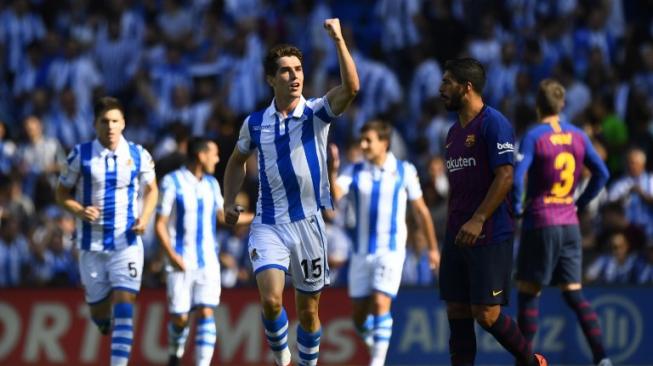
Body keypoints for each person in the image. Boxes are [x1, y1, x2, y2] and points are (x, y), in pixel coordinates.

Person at [222, 18, 359, 366]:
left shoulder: (315, 113)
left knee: (309, 312)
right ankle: (282, 355)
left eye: (298, 69)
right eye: (285, 71)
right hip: (268, 223)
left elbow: (352, 88)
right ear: (271, 79)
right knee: (270, 300)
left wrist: (339, 40)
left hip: (309, 225)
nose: (295, 76)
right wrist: (228, 200)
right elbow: (236, 161)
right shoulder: (255, 123)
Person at [438, 58, 547, 366]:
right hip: (457, 234)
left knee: (486, 315)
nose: (441, 88)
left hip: (488, 232)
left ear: (467, 87)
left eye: (447, 82)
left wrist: (478, 218)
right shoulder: (451, 134)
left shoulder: (493, 123)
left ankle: (531, 361)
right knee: (457, 310)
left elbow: (506, 176)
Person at [513, 79, 612, 366]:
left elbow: (519, 176)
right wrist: (579, 204)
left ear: (537, 106)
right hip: (569, 223)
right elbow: (602, 173)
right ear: (562, 105)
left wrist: (518, 208)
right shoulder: (578, 135)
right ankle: (602, 358)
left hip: (541, 220)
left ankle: (524, 362)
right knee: (574, 294)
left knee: (529, 294)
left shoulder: (534, 136)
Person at [55, 96, 158, 366]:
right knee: (100, 313)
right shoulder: (80, 155)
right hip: (92, 245)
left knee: (125, 307)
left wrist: (144, 218)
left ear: (123, 123)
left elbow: (152, 190)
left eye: (115, 121)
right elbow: (61, 194)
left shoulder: (138, 154)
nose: (110, 126)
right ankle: (102, 321)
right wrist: (78, 210)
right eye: (105, 121)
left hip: (127, 242)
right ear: (94, 125)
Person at [328, 120, 440, 366]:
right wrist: (332, 170)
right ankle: (375, 345)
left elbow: (420, 211)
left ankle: (377, 362)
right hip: (360, 253)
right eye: (362, 140)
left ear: (384, 143)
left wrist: (433, 249)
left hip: (390, 251)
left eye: (369, 140)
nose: (364, 145)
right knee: (358, 317)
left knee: (380, 302)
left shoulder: (404, 170)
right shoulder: (355, 170)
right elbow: (334, 196)